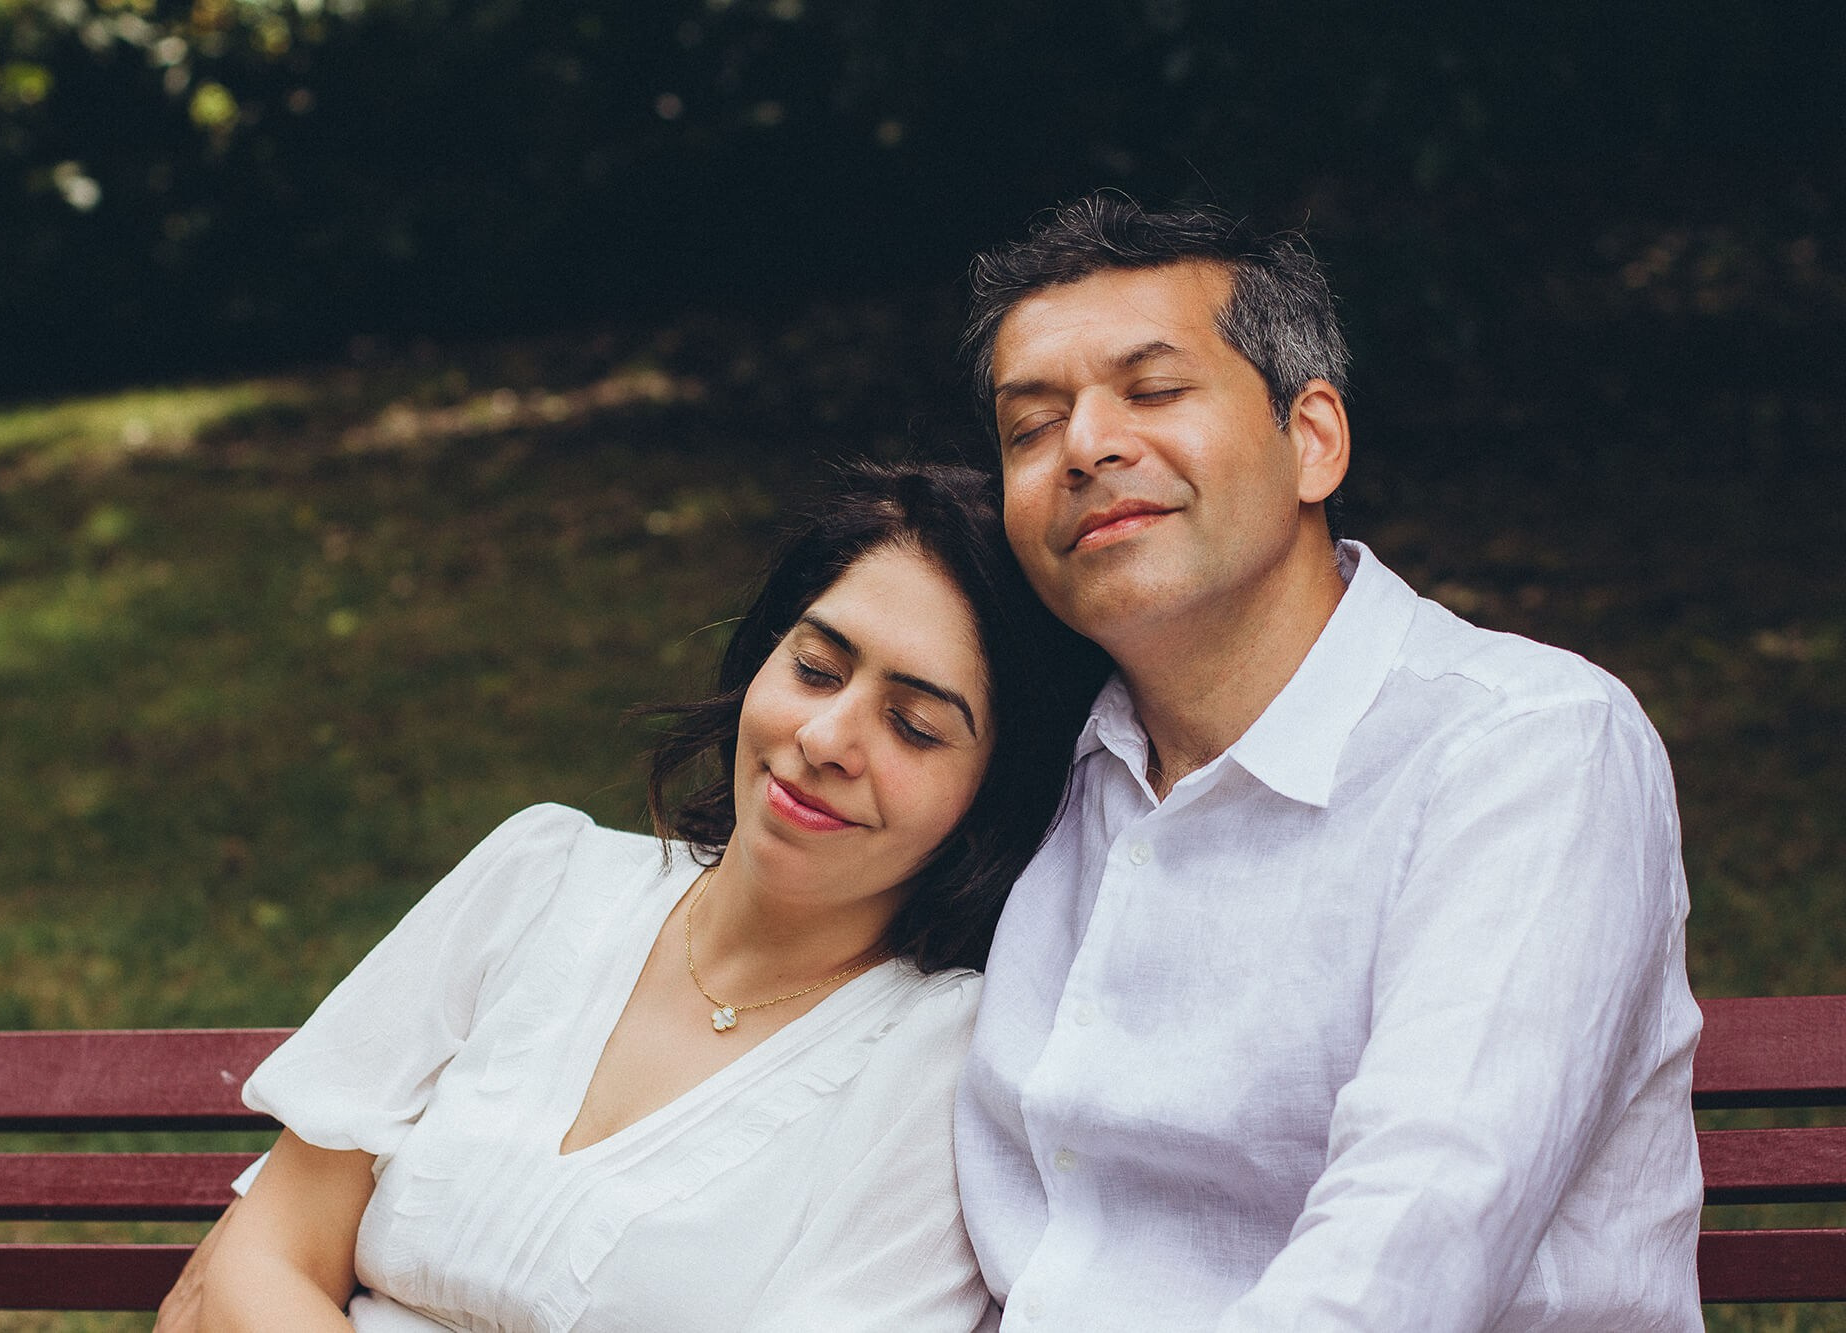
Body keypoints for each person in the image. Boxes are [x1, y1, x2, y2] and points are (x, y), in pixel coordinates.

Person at [953, 192, 1704, 1330]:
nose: (1085, 446)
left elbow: (1409, 1242)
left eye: (1152, 390)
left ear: (1311, 440)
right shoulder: (1033, 777)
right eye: (1028, 427)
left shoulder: (1525, 747)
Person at [156, 459, 1107, 1331]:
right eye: (815, 668)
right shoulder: (539, 878)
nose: (826, 737)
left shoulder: (939, 1061)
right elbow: (264, 1257)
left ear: (990, 798)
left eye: (913, 726)